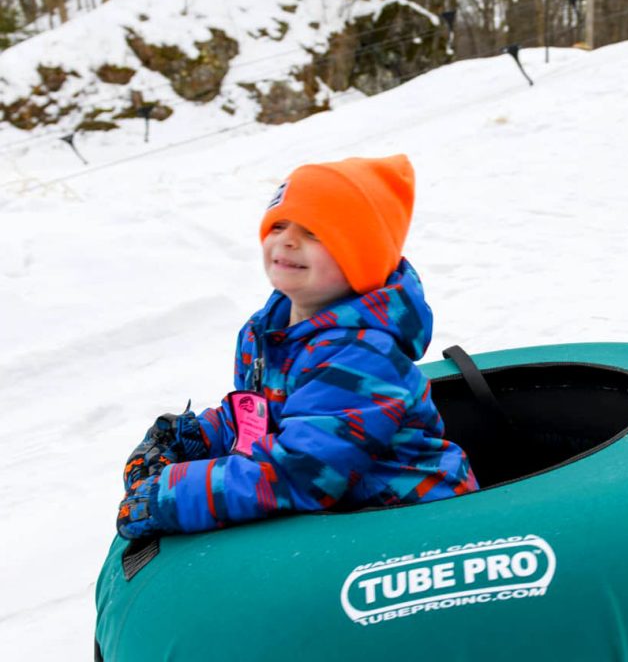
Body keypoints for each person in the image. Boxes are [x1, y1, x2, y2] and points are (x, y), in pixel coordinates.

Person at [117, 155, 478, 539]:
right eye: (279, 225)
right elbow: (263, 416)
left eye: (314, 233)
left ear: (361, 257)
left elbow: (303, 472)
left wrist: (170, 495)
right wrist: (196, 436)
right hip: (347, 512)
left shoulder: (362, 356)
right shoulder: (269, 330)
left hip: (416, 520)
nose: (287, 240)